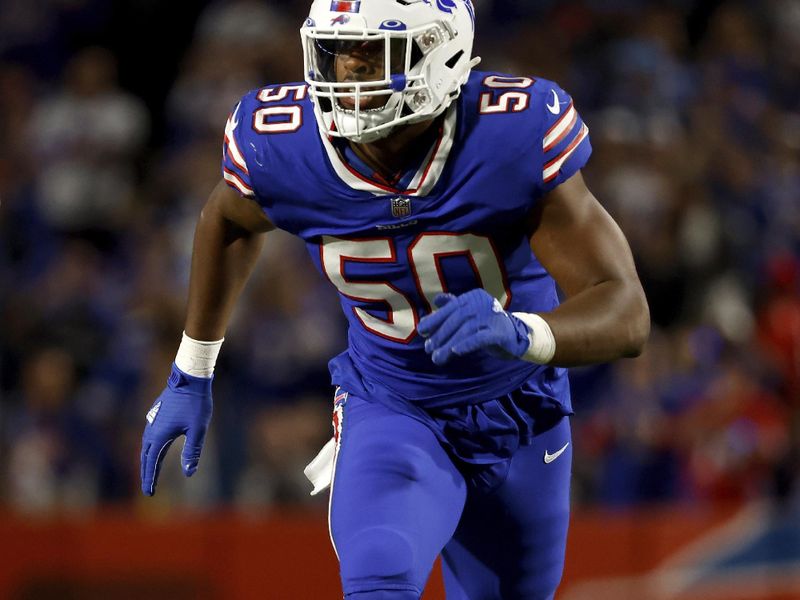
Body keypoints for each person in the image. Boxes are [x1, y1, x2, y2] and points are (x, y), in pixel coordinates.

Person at [140, 0, 650, 598]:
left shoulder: (509, 134)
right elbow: (227, 220)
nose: (345, 76)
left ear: (441, 51)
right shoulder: (283, 144)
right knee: (379, 573)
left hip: (520, 409)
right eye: (335, 53)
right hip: (392, 401)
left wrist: (525, 332)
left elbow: (626, 310)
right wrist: (192, 369)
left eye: (369, 55)